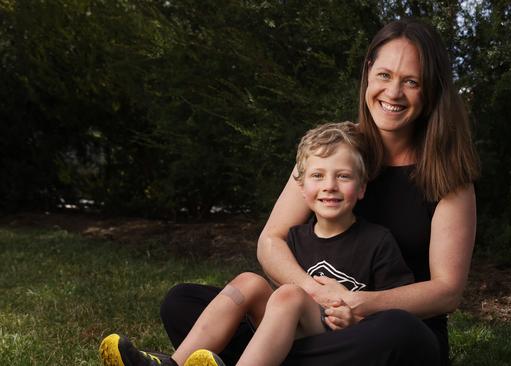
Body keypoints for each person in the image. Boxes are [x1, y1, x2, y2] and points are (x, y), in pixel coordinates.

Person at [115, 17, 479, 366]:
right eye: (384, 75)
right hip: (310, 324)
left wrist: (360, 305)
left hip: (384, 335)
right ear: (368, 72)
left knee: (398, 330)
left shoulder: (448, 176)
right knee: (183, 302)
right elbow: (269, 240)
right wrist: (313, 290)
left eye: (411, 82)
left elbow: (447, 291)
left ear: (430, 90)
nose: (393, 92)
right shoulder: (334, 150)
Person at [99, 122, 414, 366]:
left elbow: (390, 315)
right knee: (250, 282)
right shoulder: (294, 239)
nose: (329, 186)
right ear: (302, 189)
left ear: (361, 188)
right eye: (318, 175)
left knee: (290, 293)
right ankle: (175, 363)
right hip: (289, 337)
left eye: (343, 176)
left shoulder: (377, 241)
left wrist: (354, 318)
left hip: (339, 343)